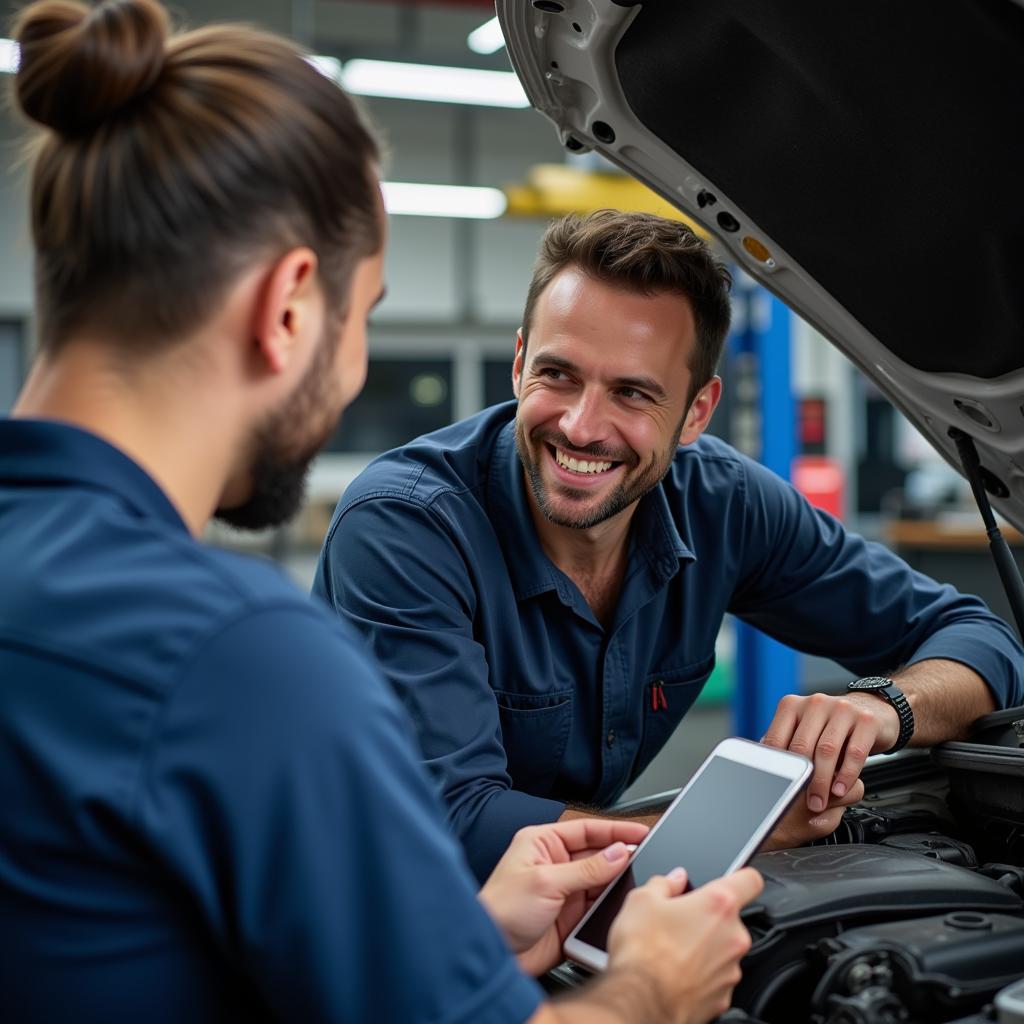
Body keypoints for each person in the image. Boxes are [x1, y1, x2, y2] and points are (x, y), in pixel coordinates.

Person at [0, 3, 765, 1022]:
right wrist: (653, 989)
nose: (356, 366)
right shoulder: (233, 657)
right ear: (287, 308)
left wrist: (453, 932)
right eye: (363, 315)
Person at [314, 210, 1024, 881]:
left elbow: (979, 638)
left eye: (632, 393)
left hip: (564, 899)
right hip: (361, 915)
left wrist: (881, 707)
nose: (583, 427)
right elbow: (457, 822)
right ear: (519, 362)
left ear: (698, 412)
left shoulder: (725, 503)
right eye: (558, 374)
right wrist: (731, 830)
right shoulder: (406, 526)